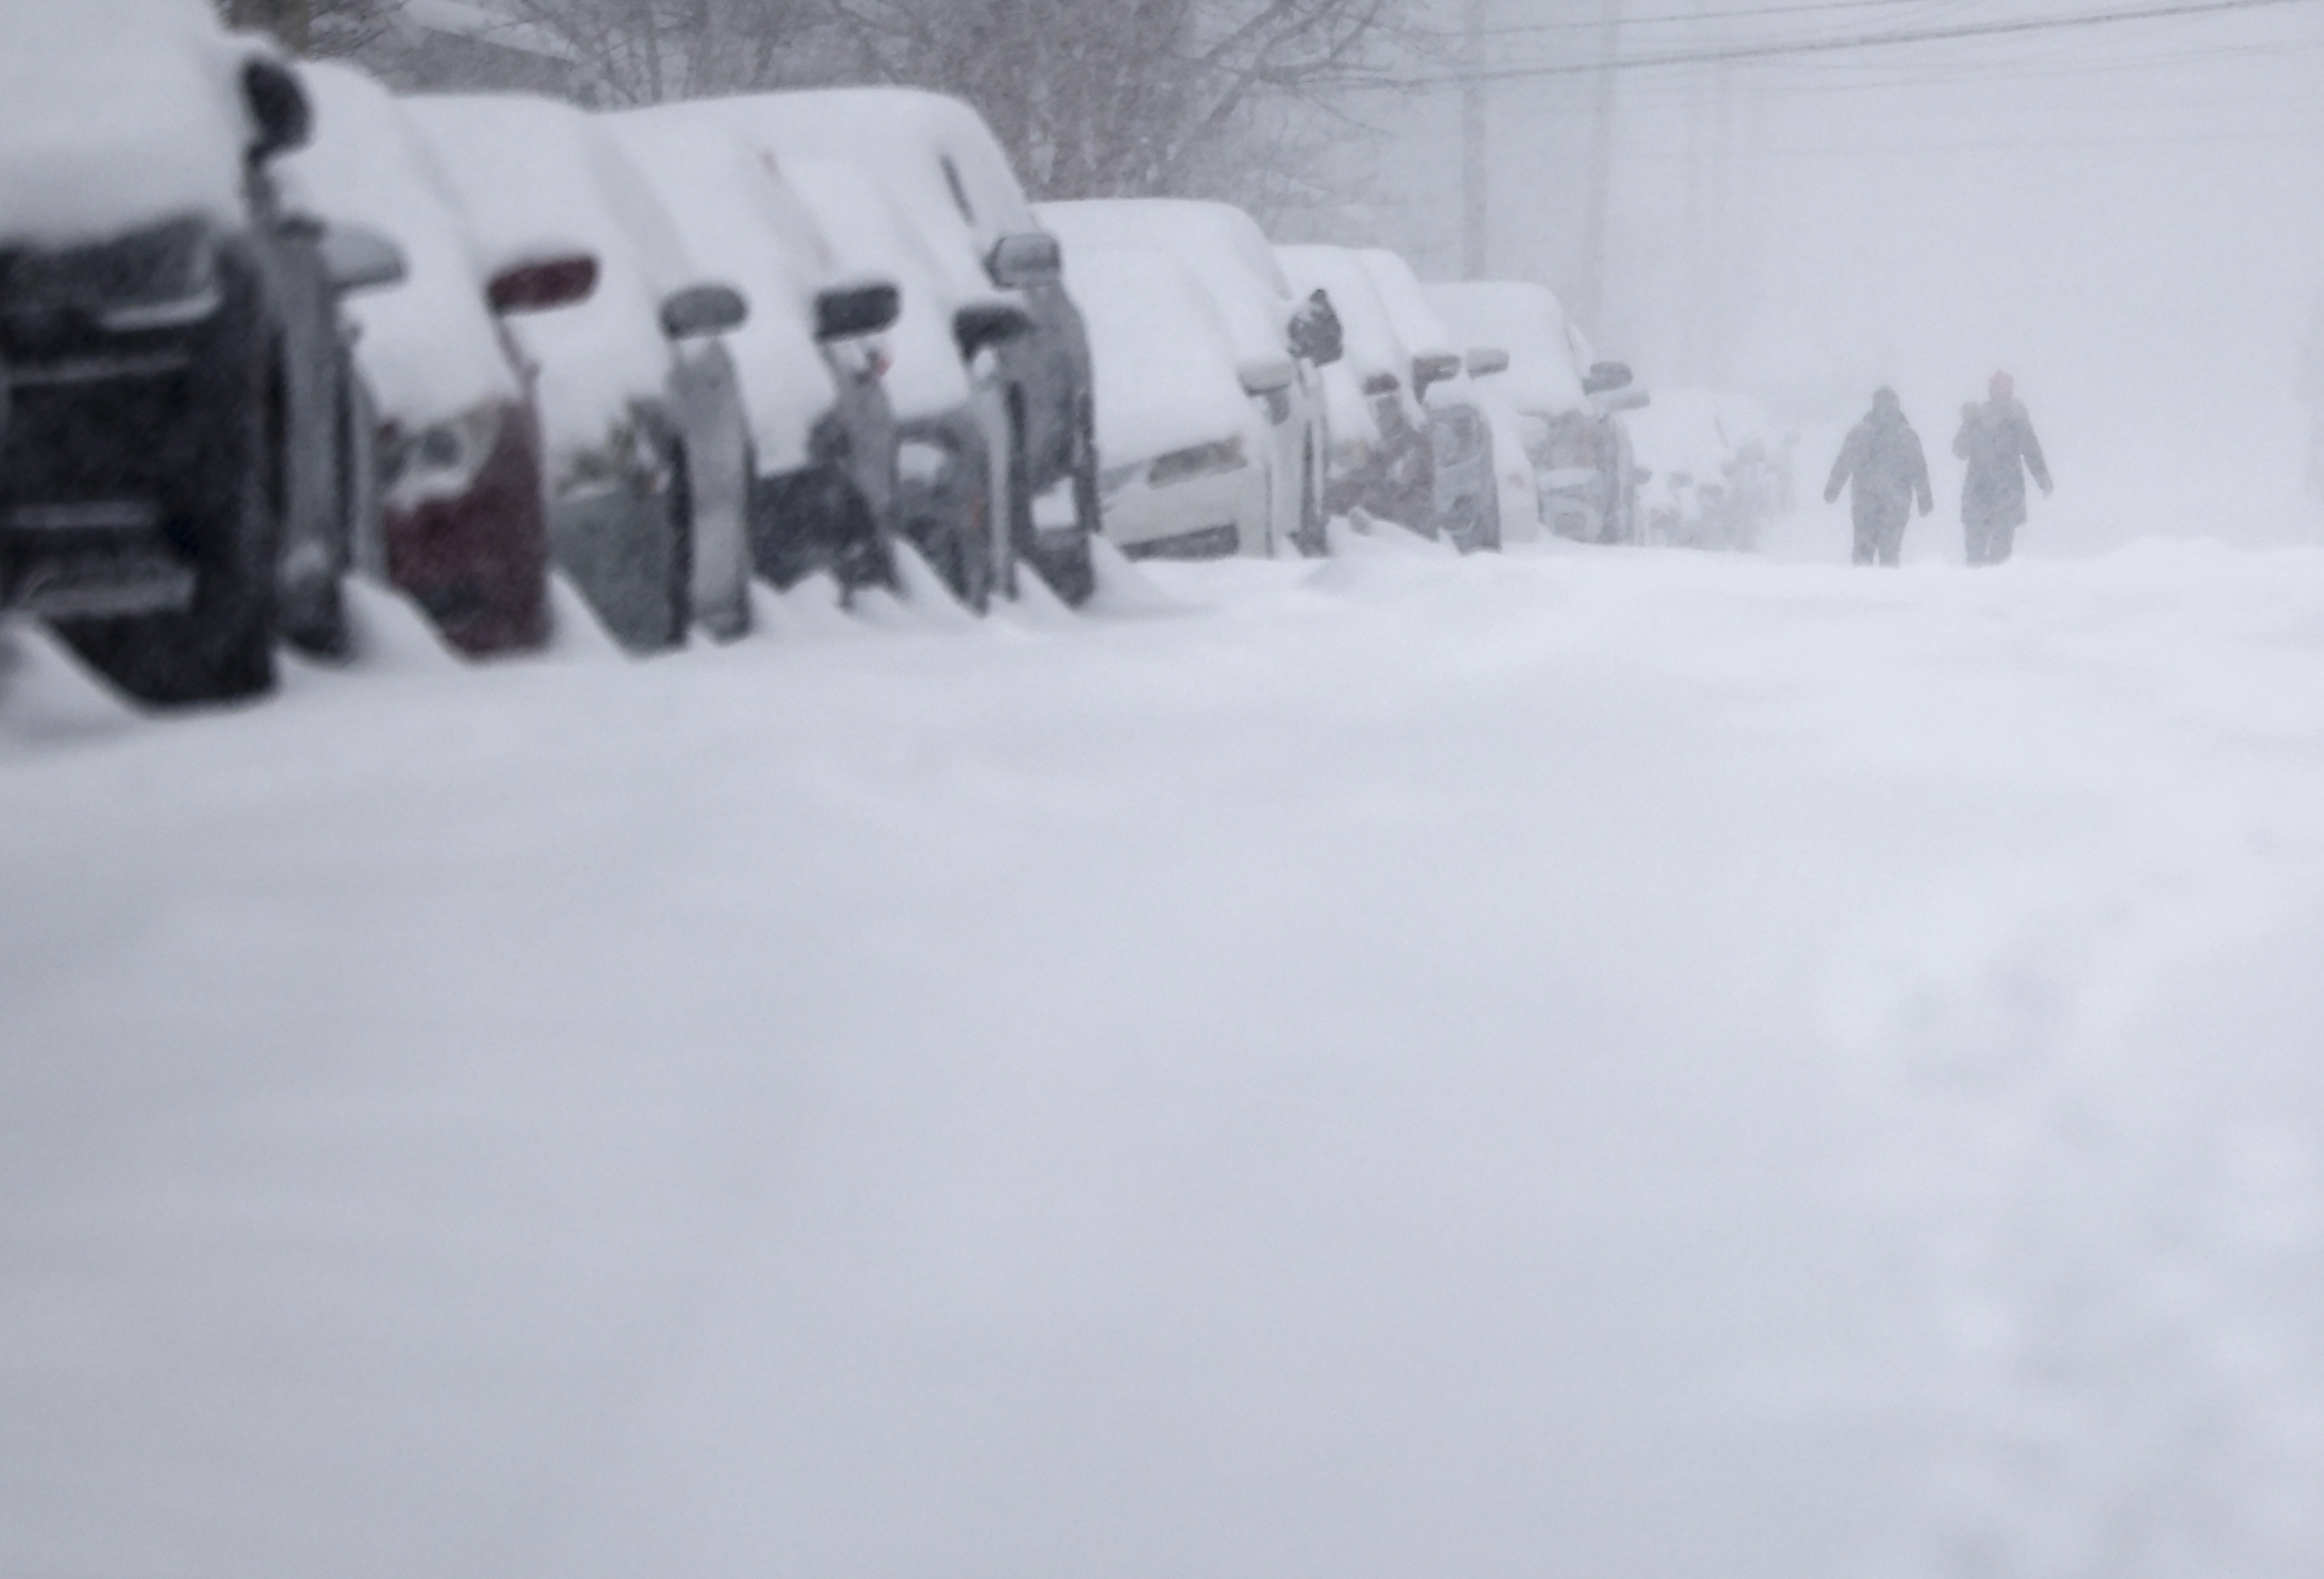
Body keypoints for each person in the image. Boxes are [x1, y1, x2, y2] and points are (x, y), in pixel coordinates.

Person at [1824, 386, 1933, 566]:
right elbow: (1919, 470)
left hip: (1865, 499)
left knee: (1863, 549)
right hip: (1897, 501)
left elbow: (1843, 463)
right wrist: (1925, 498)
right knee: (1890, 550)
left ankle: (1862, 588)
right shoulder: (1907, 435)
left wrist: (1832, 490)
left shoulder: (1860, 432)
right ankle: (1887, 589)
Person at [1953, 371, 2051, 565]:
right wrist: (2044, 481)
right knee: (1993, 556)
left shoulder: (2013, 419)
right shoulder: (1992, 417)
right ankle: (1986, 591)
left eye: (2006, 385)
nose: (2003, 390)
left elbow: (2032, 453)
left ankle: (1982, 591)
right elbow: (1959, 451)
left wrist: (2044, 480)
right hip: (1998, 495)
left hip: (1986, 496)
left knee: (1985, 556)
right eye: (1999, 386)